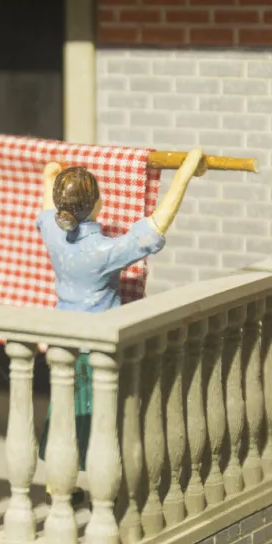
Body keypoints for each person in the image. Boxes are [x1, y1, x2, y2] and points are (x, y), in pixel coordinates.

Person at [35, 149, 207, 497]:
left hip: (62, 340)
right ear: (95, 205)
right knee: (102, 419)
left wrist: (51, 174)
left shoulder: (53, 233)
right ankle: (105, 488)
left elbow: (47, 195)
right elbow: (155, 226)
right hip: (95, 347)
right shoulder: (102, 252)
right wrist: (184, 174)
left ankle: (57, 484)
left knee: (64, 411)